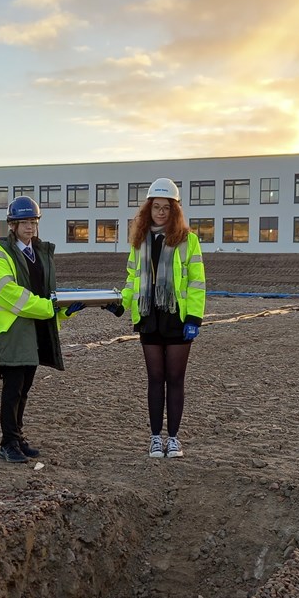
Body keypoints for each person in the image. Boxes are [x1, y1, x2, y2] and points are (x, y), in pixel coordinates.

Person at [112, 177, 206, 459]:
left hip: (178, 318)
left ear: (174, 210)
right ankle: (155, 438)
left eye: (167, 207)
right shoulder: (139, 241)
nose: (161, 212)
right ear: (148, 209)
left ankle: (173, 439)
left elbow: (197, 282)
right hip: (149, 316)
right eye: (156, 207)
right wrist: (121, 304)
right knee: (155, 378)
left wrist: (194, 318)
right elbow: (132, 278)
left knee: (175, 378)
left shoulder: (188, 241)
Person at [0, 195, 84, 463]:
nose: (29, 227)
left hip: (34, 329)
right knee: (13, 388)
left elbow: (45, 293)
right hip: (14, 331)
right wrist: (49, 307)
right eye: (24, 222)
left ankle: (17, 437)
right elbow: (9, 294)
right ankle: (7, 443)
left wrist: (63, 309)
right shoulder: (0, 256)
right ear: (12, 225)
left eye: (33, 221)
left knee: (24, 388)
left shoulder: (40, 253)